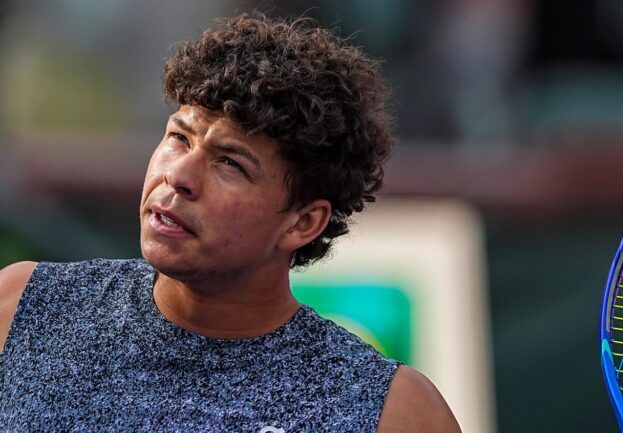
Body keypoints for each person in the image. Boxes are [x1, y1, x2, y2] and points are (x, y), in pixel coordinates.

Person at [0, 13, 461, 433]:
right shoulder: (22, 306)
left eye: (230, 163)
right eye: (179, 137)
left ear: (302, 222)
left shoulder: (390, 410)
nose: (178, 176)